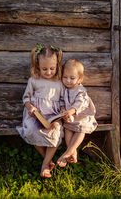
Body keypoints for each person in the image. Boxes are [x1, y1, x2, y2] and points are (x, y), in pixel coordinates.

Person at [16, 43, 65, 178]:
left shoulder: (59, 82)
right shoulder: (34, 81)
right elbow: (26, 98)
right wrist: (30, 107)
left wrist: (62, 109)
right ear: (37, 66)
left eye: (52, 68)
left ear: (57, 66)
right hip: (35, 116)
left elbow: (62, 100)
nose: (48, 72)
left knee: (55, 134)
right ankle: (47, 161)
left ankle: (45, 165)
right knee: (31, 131)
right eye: (44, 69)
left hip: (53, 117)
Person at [57, 59, 98, 167]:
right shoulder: (64, 90)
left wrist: (71, 111)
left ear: (79, 79)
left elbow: (80, 103)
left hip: (83, 117)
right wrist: (62, 108)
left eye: (72, 78)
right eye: (65, 77)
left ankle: (66, 153)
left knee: (81, 130)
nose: (68, 80)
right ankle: (72, 151)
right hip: (70, 118)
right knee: (68, 129)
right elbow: (61, 100)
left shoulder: (81, 91)